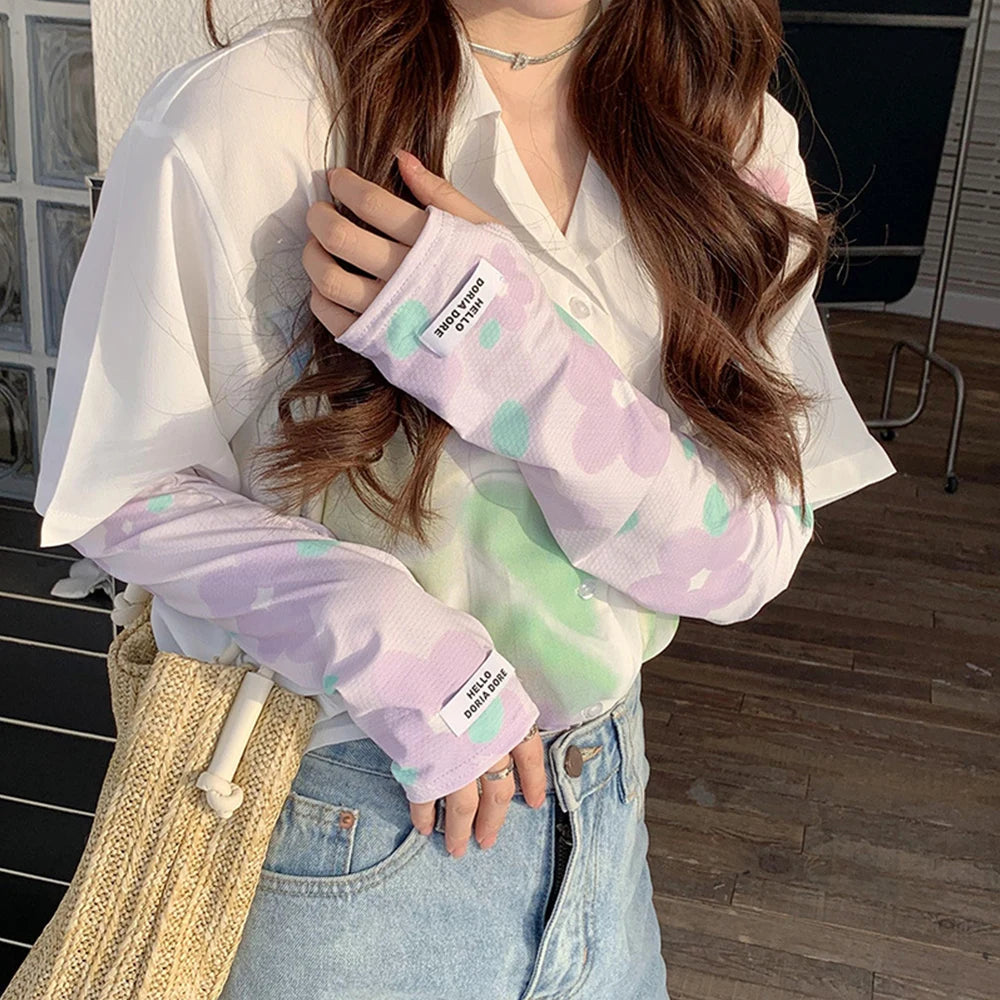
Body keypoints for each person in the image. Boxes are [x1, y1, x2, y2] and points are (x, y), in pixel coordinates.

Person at [33, 0, 896, 995]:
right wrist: (395, 643)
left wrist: (516, 356)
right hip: (339, 818)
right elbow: (119, 489)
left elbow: (744, 559)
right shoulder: (254, 117)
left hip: (601, 808)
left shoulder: (726, 133)